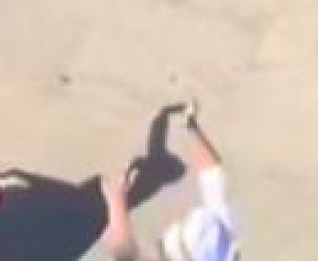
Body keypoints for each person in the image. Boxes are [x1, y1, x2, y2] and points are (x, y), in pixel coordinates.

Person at [98, 102, 239, 261]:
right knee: (214, 181)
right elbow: (124, 251)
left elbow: (124, 251)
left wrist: (117, 200)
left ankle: (189, 124)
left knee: (214, 180)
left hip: (201, 247)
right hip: (196, 246)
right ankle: (189, 124)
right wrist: (116, 200)